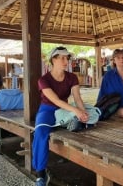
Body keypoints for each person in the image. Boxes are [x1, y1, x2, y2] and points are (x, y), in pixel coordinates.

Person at [32, 46, 89, 186]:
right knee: (40, 132)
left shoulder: (72, 77)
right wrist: (76, 111)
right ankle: (41, 174)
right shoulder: (43, 80)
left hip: (65, 109)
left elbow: (77, 98)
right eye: (62, 58)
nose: (66, 61)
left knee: (88, 116)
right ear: (54, 59)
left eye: (67, 58)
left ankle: (74, 122)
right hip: (48, 109)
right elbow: (56, 100)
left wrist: (82, 112)